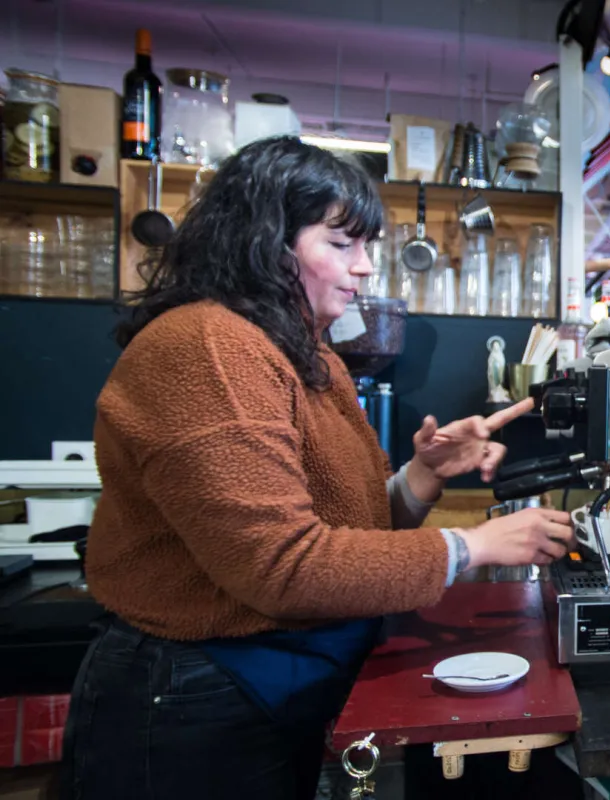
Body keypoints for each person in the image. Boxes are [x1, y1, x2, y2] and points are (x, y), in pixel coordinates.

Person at [61, 137, 575, 800]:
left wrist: (425, 474)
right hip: (193, 693)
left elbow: (348, 529)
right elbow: (283, 567)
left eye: (367, 247)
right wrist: (471, 545)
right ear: (264, 242)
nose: (364, 269)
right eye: (340, 244)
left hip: (270, 680)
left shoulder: (310, 355)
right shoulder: (207, 347)